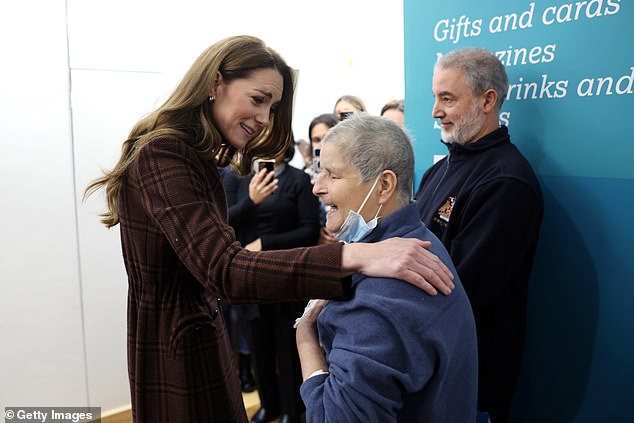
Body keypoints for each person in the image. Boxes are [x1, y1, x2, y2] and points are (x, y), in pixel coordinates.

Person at [83, 35, 455, 422]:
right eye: (258, 99)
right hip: (178, 353)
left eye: (272, 107)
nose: (264, 118)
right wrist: (357, 256)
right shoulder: (165, 156)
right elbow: (226, 270)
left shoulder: (190, 157)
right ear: (214, 84)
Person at [295, 114, 478, 422]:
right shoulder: (417, 242)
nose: (317, 187)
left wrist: (305, 337)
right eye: (318, 171)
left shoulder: (383, 297)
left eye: (333, 175)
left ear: (383, 186)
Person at [415, 47, 544, 423]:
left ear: (489, 100)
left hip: (470, 379)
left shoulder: (507, 182)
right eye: (436, 98)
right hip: (428, 366)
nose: (435, 111)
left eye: (447, 99)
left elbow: (460, 291)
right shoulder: (439, 171)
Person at [224, 141, 320, 423]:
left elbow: (309, 231)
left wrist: (264, 243)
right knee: (258, 345)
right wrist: (251, 201)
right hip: (249, 279)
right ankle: (269, 404)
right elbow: (223, 222)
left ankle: (292, 409)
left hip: (287, 278)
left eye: (273, 138)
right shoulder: (237, 178)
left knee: (288, 346)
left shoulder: (298, 180)